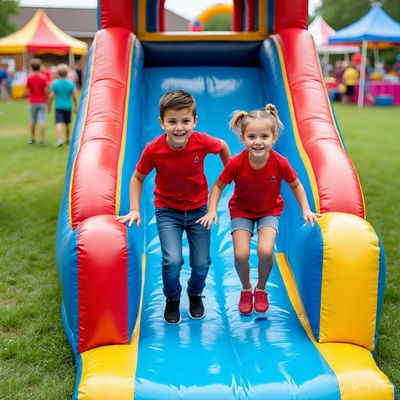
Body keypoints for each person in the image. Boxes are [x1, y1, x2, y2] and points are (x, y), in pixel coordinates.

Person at [116, 89, 231, 324]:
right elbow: (137, 177)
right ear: (162, 123)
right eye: (172, 122)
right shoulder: (154, 149)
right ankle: (172, 300)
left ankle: (195, 293)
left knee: (201, 263)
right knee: (172, 261)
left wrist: (232, 173)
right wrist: (135, 208)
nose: (179, 127)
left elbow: (222, 147)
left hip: (199, 211)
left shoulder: (201, 142)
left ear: (195, 121)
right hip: (168, 212)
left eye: (185, 121)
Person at [197, 104, 320, 316]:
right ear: (243, 138)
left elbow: (296, 184)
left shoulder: (279, 162)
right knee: (241, 253)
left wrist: (306, 209)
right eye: (252, 136)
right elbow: (218, 186)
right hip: (242, 211)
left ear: (273, 138)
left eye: (264, 136)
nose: (258, 142)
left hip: (269, 210)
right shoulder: (236, 163)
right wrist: (212, 210)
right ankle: (246, 288)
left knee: (264, 250)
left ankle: (261, 289)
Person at [48, 64, 78, 147]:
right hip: (68, 106)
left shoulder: (55, 83)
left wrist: (49, 105)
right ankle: (68, 139)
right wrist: (76, 106)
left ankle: (60, 139)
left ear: (58, 73)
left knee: (58, 122)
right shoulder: (71, 83)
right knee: (68, 123)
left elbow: (51, 96)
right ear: (67, 73)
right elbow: (75, 96)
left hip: (58, 106)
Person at [25, 58, 49, 145]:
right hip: (42, 101)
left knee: (32, 121)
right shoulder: (43, 77)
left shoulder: (29, 77)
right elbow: (46, 91)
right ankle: (42, 140)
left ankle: (32, 138)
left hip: (32, 102)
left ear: (31, 67)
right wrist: (46, 100)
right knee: (42, 120)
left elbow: (26, 91)